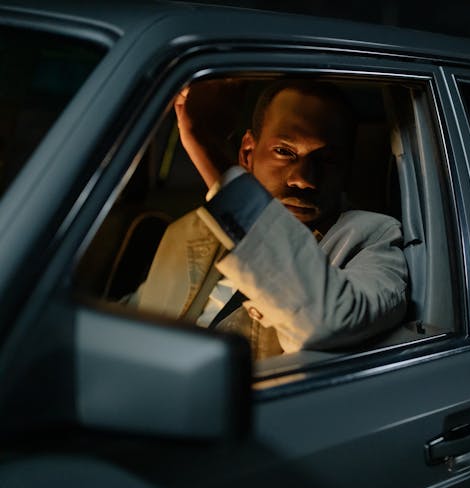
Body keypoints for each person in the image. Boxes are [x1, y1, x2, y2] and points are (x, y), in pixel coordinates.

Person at [129, 78, 408, 359]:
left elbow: (330, 320)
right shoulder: (186, 231)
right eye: (285, 152)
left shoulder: (372, 236)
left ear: (346, 171)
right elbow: (132, 319)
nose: (303, 179)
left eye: (327, 160)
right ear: (248, 154)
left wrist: (209, 148)